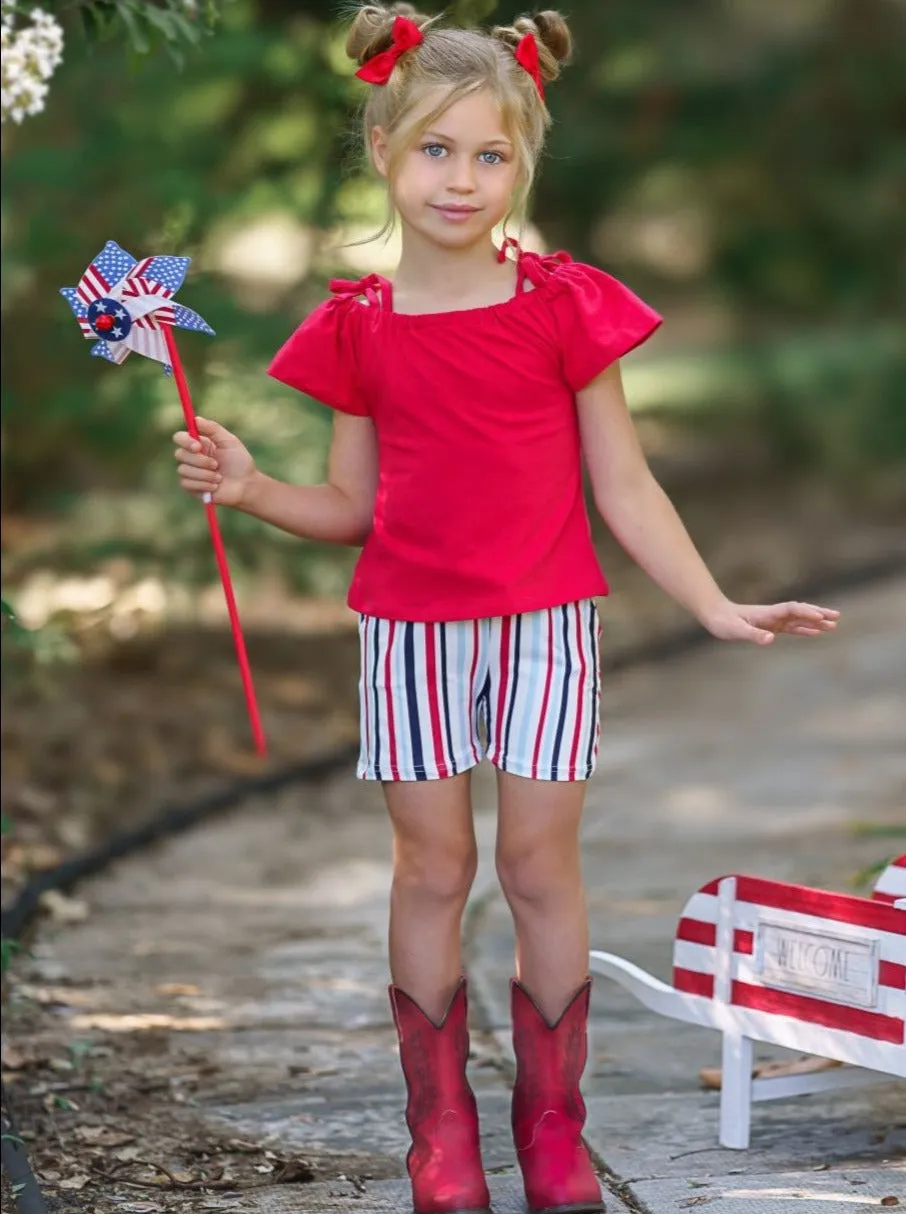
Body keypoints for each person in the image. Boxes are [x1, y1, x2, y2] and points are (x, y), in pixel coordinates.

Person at [173, 5, 840, 1212]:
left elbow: (623, 483)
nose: (462, 178)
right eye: (436, 149)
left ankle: (551, 1124)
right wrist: (252, 485)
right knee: (433, 867)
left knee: (538, 866)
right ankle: (440, 1130)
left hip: (546, 627)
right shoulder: (359, 328)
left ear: (522, 163)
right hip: (410, 634)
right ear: (383, 147)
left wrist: (711, 600)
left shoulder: (560, 305)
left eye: (491, 154)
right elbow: (348, 507)